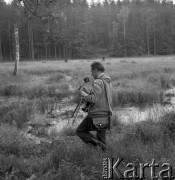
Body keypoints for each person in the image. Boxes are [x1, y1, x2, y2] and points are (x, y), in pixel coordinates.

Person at [76, 61, 113, 151]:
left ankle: (99, 146)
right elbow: (101, 97)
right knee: (101, 136)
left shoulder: (98, 82)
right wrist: (88, 93)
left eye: (92, 72)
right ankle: (103, 152)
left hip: (97, 114)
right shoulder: (107, 80)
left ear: (96, 70)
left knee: (80, 130)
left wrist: (84, 94)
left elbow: (94, 99)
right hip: (106, 113)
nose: (91, 75)